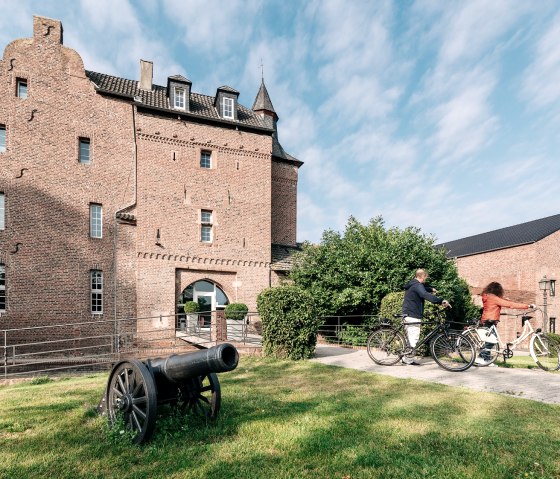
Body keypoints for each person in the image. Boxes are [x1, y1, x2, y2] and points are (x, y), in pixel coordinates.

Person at [476, 282, 535, 366]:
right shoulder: (494, 298)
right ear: (497, 290)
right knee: (491, 341)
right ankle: (482, 358)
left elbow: (503, 302)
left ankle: (486, 360)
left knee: (489, 341)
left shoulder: (487, 297)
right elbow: (509, 305)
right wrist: (527, 306)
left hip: (486, 319)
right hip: (490, 320)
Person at [401, 268, 450, 365]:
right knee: (414, 338)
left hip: (409, 313)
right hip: (412, 314)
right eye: (425, 278)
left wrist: (430, 289)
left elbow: (421, 289)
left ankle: (407, 359)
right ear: (422, 277)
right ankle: (408, 360)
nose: (425, 280)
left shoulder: (413, 284)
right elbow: (423, 293)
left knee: (410, 338)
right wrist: (441, 301)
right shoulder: (417, 285)